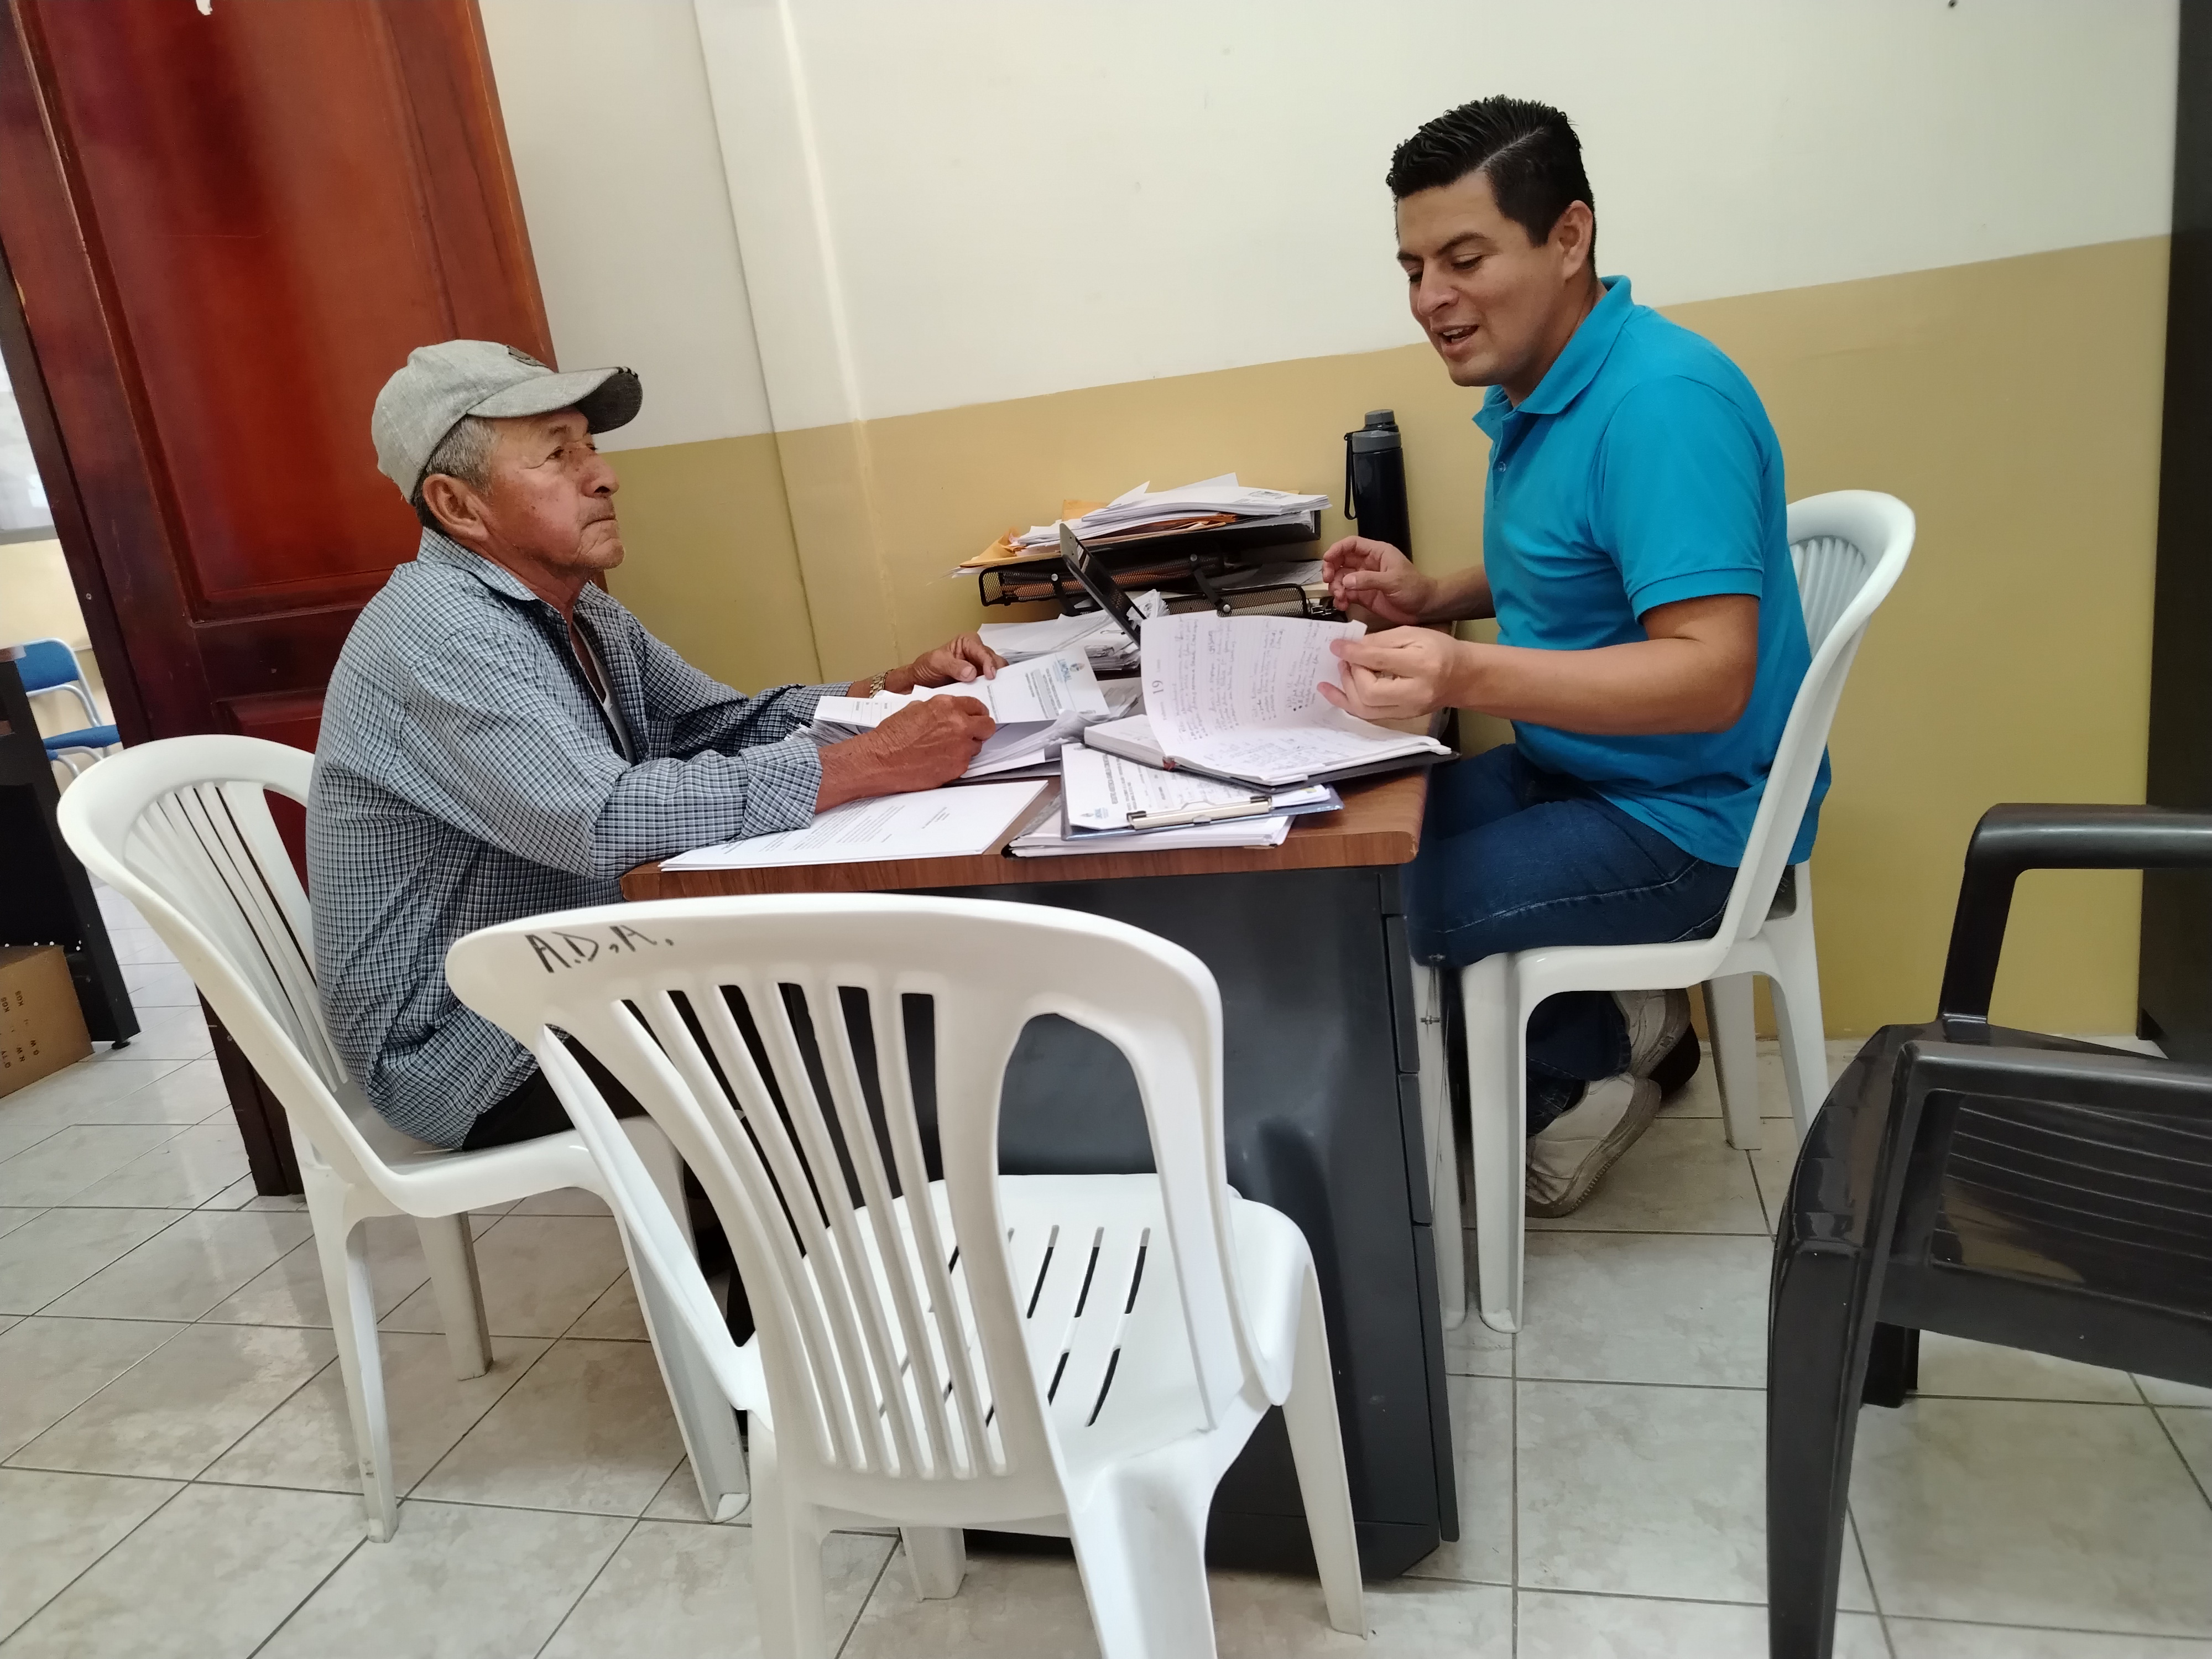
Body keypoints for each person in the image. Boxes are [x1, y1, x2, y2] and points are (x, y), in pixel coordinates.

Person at [310, 340, 1004, 1151]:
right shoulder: (440, 630)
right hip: (475, 1043)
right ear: (458, 506)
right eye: (557, 455)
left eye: (590, 447)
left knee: (858, 964)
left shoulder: (581, 610)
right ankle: (807, 1229)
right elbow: (600, 820)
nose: (604, 476)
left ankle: (813, 1210)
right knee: (840, 1003)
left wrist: (885, 691)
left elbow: (715, 724)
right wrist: (866, 762)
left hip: (577, 961)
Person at [1319, 98, 1823, 1216]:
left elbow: (1709, 673)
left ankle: (1588, 1070)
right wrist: (1435, 595)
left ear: (1567, 237)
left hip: (1689, 818)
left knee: (1381, 921)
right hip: (1581, 771)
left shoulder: (1661, 405)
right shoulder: (1545, 390)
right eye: (1413, 269)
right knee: (1339, 869)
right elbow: (1584, 566)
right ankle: (1622, 1025)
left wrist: (1460, 672)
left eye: (1463, 260)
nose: (1430, 299)